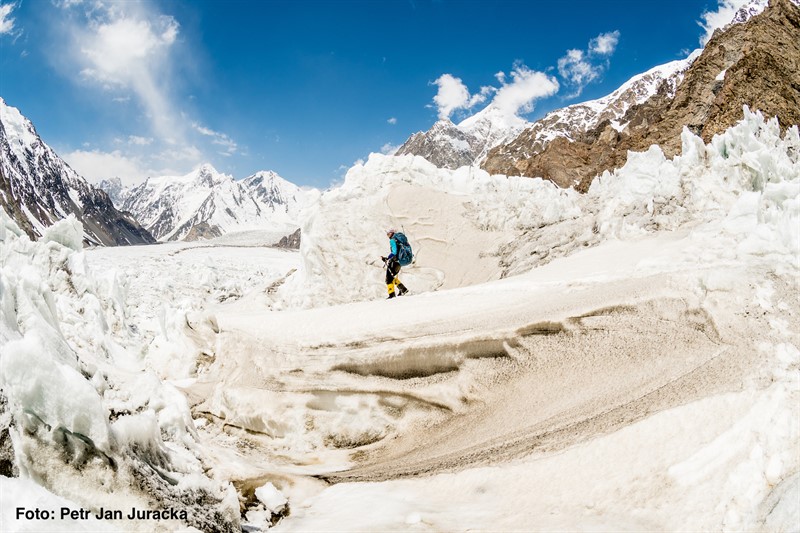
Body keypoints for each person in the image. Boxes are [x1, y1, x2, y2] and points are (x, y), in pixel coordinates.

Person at [381, 229, 409, 299]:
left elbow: (394, 252)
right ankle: (403, 289)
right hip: (399, 262)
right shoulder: (399, 241)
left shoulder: (392, 240)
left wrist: (387, 258)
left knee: (389, 278)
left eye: (388, 233)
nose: (387, 235)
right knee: (392, 276)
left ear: (392, 233)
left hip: (394, 261)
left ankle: (391, 294)